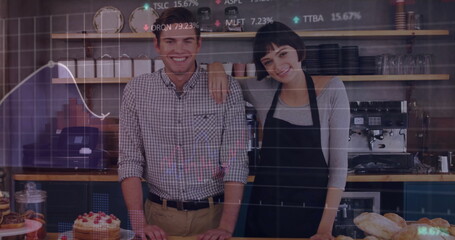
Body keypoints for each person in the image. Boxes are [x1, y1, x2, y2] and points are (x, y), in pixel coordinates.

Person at [208, 22, 350, 239]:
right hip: (266, 213)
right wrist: (215, 65)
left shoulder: (332, 89)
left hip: (314, 216)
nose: (278, 65)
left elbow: (338, 169)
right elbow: (225, 83)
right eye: (268, 61)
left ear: (298, 50)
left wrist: (324, 230)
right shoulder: (262, 91)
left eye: (283, 54)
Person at [118, 7, 249, 240]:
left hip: (213, 218)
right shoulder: (136, 91)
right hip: (157, 217)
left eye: (187, 41)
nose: (179, 50)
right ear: (157, 45)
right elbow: (129, 161)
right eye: (170, 41)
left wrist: (226, 228)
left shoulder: (228, 89)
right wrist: (139, 225)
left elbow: (235, 162)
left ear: (199, 44)